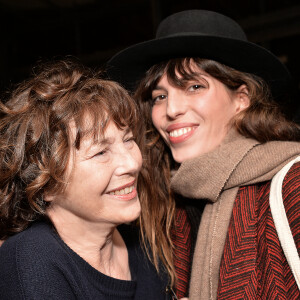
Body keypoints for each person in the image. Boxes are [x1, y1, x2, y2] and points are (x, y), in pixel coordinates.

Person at [106, 9, 300, 300]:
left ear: (241, 99)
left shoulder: (292, 184)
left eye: (194, 87)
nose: (171, 110)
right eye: (160, 96)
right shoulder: (170, 201)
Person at [0, 58, 172, 299]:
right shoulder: (30, 260)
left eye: (128, 139)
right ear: (45, 185)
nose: (133, 164)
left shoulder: (142, 242)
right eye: (101, 152)